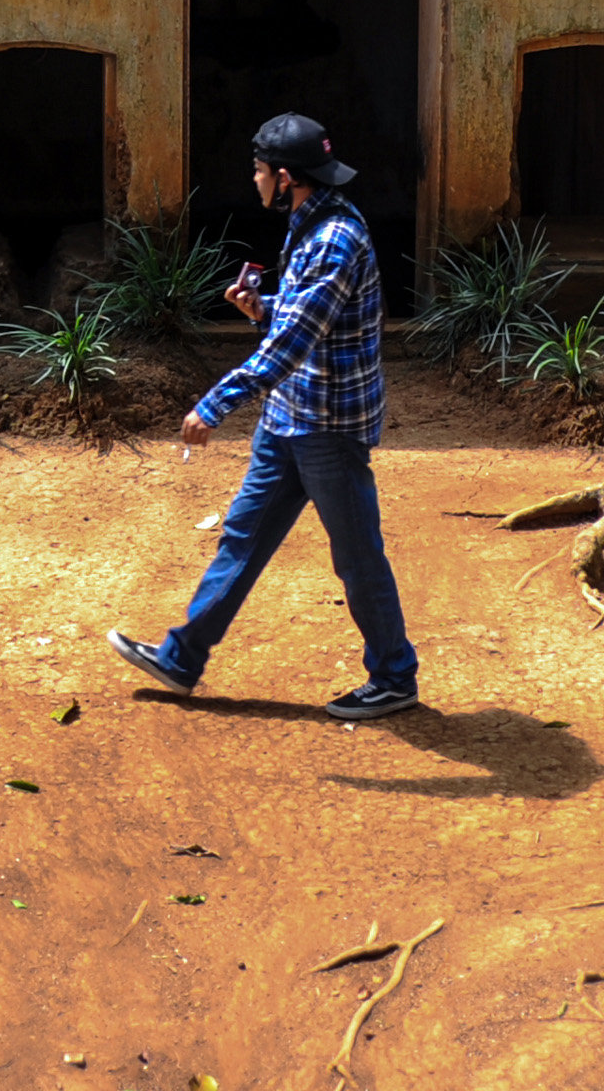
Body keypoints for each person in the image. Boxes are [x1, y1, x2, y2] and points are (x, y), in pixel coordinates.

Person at [109, 113, 419, 720]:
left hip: (327, 426)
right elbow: (302, 315)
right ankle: (182, 656)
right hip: (288, 418)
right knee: (243, 539)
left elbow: (294, 342)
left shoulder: (334, 238)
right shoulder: (312, 221)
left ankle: (394, 677)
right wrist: (262, 306)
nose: (252, 181)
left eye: (256, 170)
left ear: (284, 177)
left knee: (356, 557)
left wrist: (214, 402)